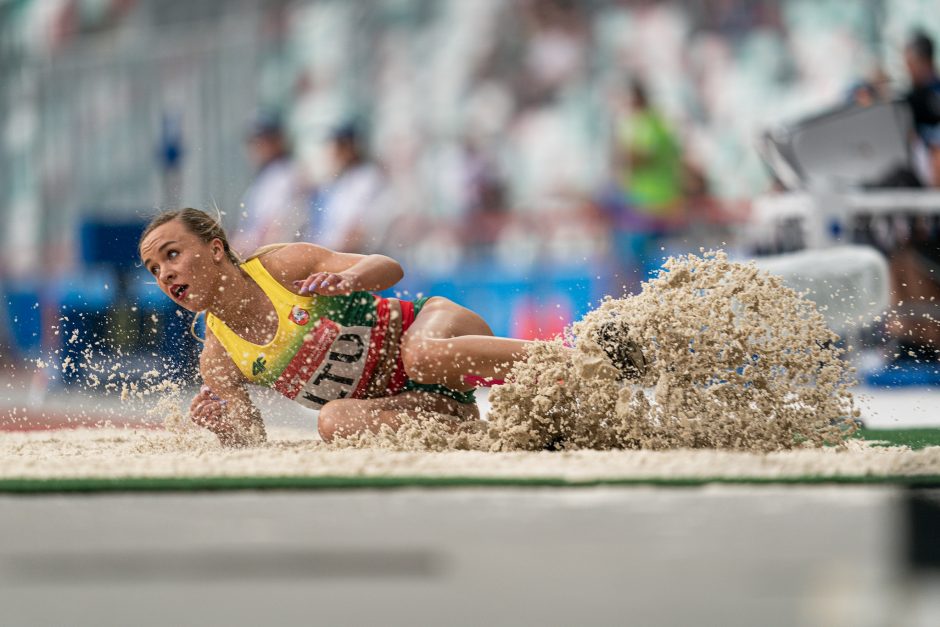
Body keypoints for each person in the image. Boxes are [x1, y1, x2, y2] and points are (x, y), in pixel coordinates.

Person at [139, 208, 645, 447]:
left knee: (418, 355)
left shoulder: (280, 266)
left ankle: (593, 359)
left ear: (216, 249)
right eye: (155, 270)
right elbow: (251, 443)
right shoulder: (218, 356)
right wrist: (224, 426)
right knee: (333, 421)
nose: (166, 274)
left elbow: (389, 267)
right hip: (413, 404)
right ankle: (495, 436)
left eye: (172, 255)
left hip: (435, 331)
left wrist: (351, 278)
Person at [308, 122, 389, 253]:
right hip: (329, 253)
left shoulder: (368, 178)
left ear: (352, 146)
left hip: (350, 257)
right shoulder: (338, 179)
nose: (335, 152)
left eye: (341, 146)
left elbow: (358, 231)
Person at [233, 111, 306, 254]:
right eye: (253, 142)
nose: (257, 147)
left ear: (278, 140)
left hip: (273, 257)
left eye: (263, 140)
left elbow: (272, 232)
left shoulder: (288, 174)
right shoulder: (266, 176)